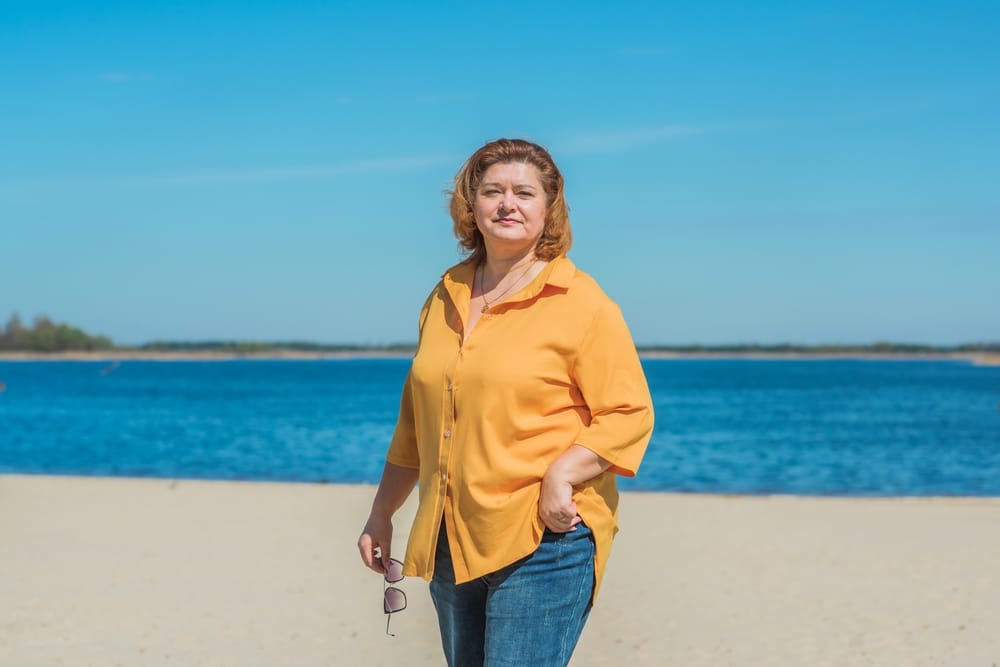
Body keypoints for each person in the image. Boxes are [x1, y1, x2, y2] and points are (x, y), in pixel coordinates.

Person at [358, 138, 654, 666]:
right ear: (471, 205)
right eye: (493, 191)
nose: (507, 204)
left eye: (524, 192)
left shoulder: (582, 302)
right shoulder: (445, 292)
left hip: (544, 541)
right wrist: (382, 512)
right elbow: (416, 421)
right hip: (450, 535)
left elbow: (629, 413)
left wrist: (563, 473)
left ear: (549, 207)